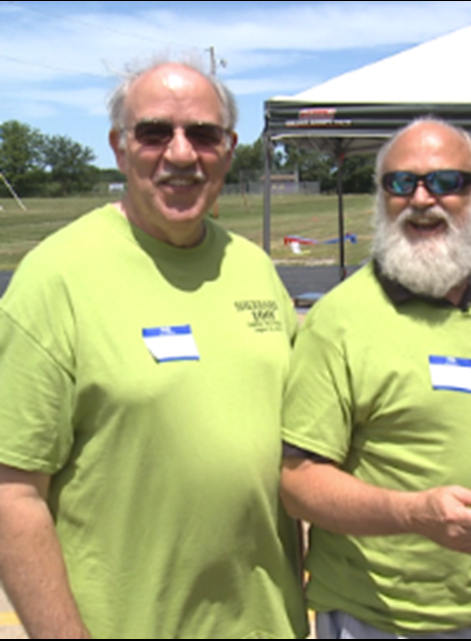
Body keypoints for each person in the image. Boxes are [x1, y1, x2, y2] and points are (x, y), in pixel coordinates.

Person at [0, 58, 306, 638]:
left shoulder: (254, 269)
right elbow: (12, 495)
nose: (182, 154)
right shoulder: (57, 278)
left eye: (203, 134)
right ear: (120, 147)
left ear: (229, 148)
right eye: (155, 132)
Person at [279, 117, 471, 639]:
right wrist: (413, 513)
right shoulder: (338, 321)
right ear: (381, 198)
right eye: (399, 182)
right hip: (383, 620)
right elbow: (297, 481)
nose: (420, 198)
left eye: (444, 182)